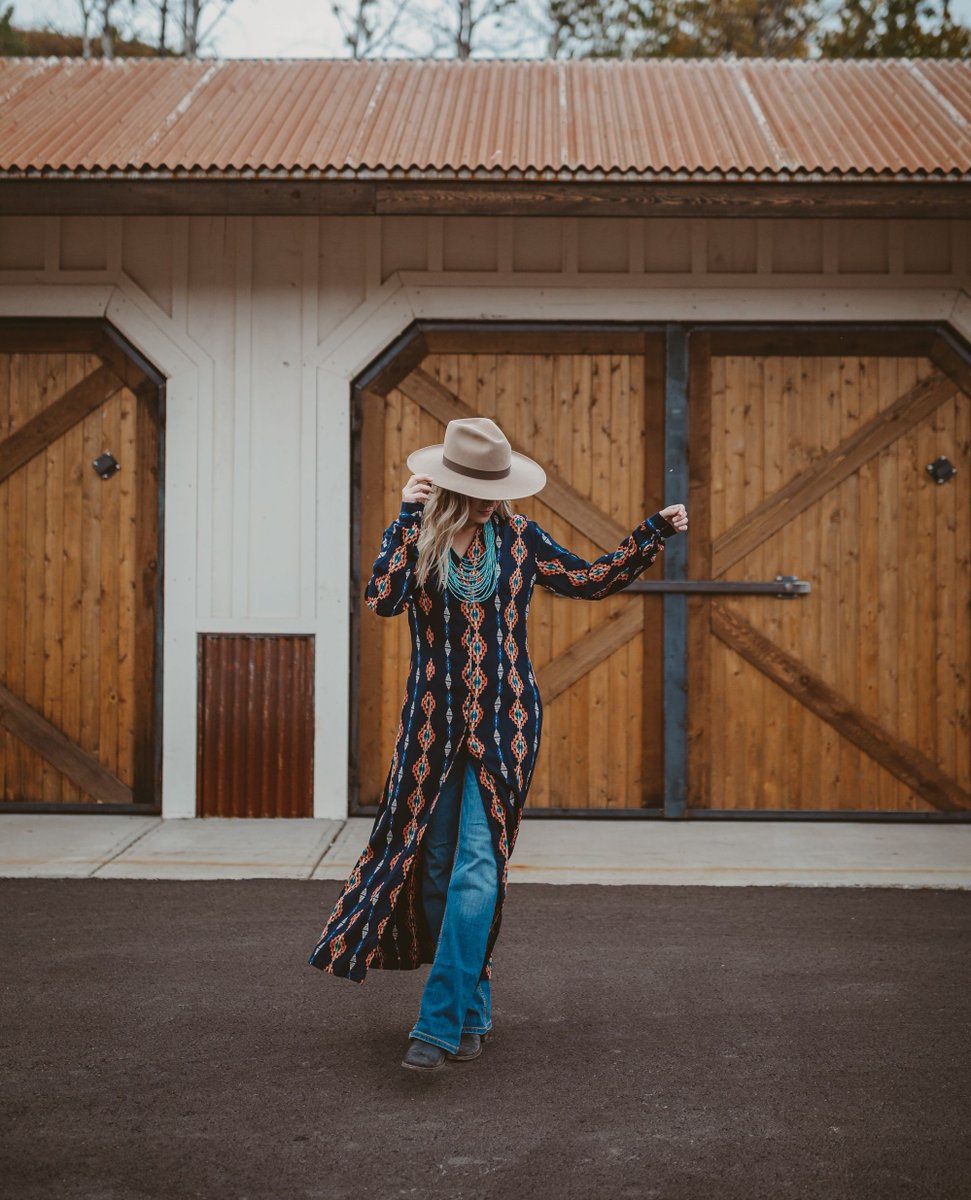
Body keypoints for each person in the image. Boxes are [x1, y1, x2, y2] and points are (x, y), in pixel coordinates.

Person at [307, 415, 687, 1072]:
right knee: (433, 870)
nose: (490, 499)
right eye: (477, 487)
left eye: (495, 486)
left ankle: (437, 1022)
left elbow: (590, 579)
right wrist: (403, 516)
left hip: (507, 724)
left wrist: (650, 532)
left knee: (477, 869)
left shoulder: (519, 538)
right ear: (449, 484)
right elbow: (383, 597)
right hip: (432, 729)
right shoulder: (419, 539)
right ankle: (473, 1008)